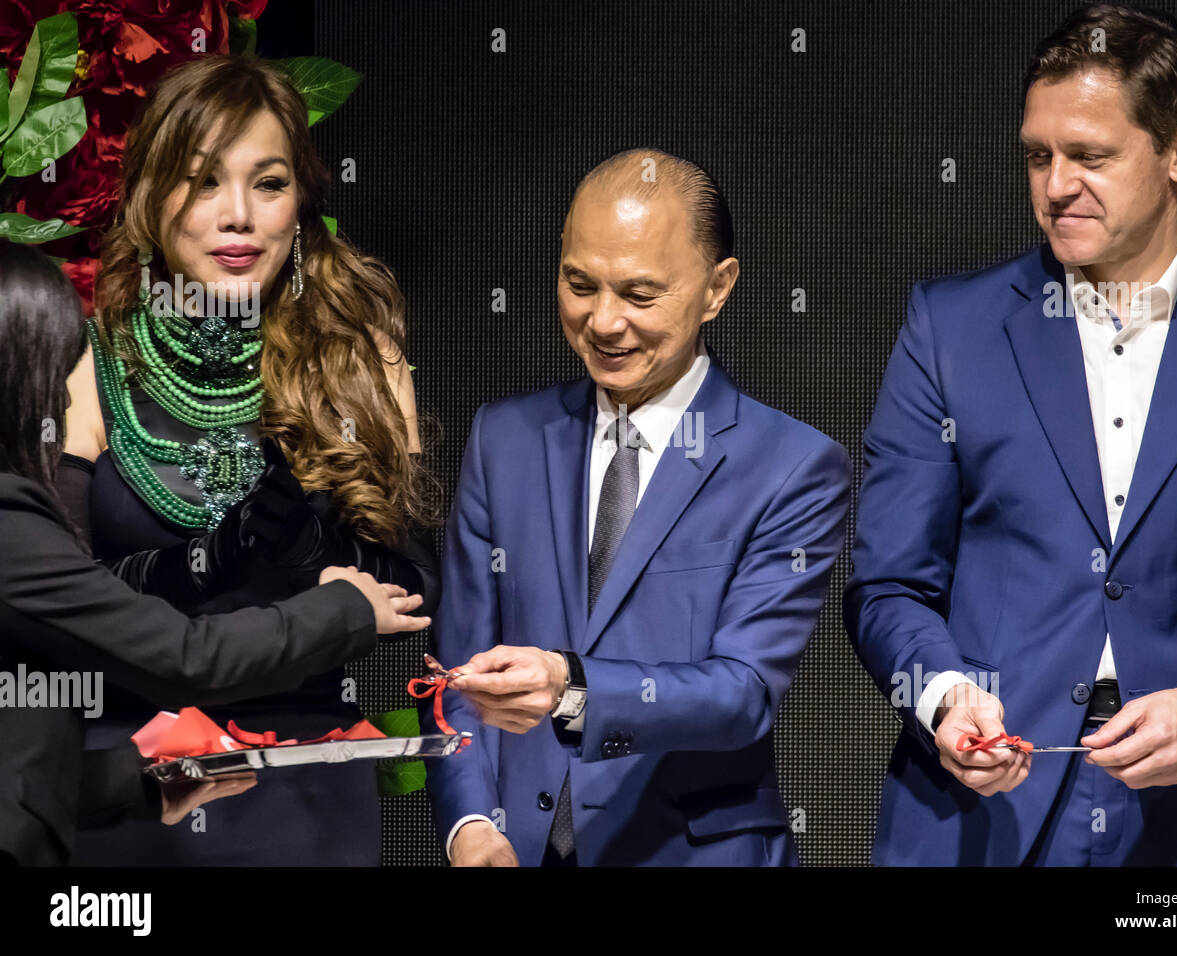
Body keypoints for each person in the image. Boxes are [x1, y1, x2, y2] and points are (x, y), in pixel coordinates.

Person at [846, 4, 1177, 865]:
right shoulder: (949, 327)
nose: (1056, 185)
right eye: (1038, 155)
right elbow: (888, 586)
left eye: (1090, 156)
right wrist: (945, 697)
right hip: (986, 812)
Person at [423, 148, 850, 866]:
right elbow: (459, 675)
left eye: (640, 294)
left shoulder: (792, 466)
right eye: (579, 284)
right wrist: (469, 824)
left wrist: (572, 686)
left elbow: (741, 693)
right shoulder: (505, 439)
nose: (604, 322)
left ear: (718, 289)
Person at [60, 55, 438, 865]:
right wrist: (205, 562)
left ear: (301, 202)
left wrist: (315, 551)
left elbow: (416, 589)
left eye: (268, 184)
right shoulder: (85, 361)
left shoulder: (363, 356)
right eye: (201, 183)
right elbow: (62, 606)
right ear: (151, 199)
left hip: (305, 779)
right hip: (139, 775)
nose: (238, 216)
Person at [0, 237, 431, 866]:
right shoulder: (12, 525)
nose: (65, 401)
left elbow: (19, 785)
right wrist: (346, 607)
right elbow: (186, 658)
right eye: (53, 379)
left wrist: (132, 783)